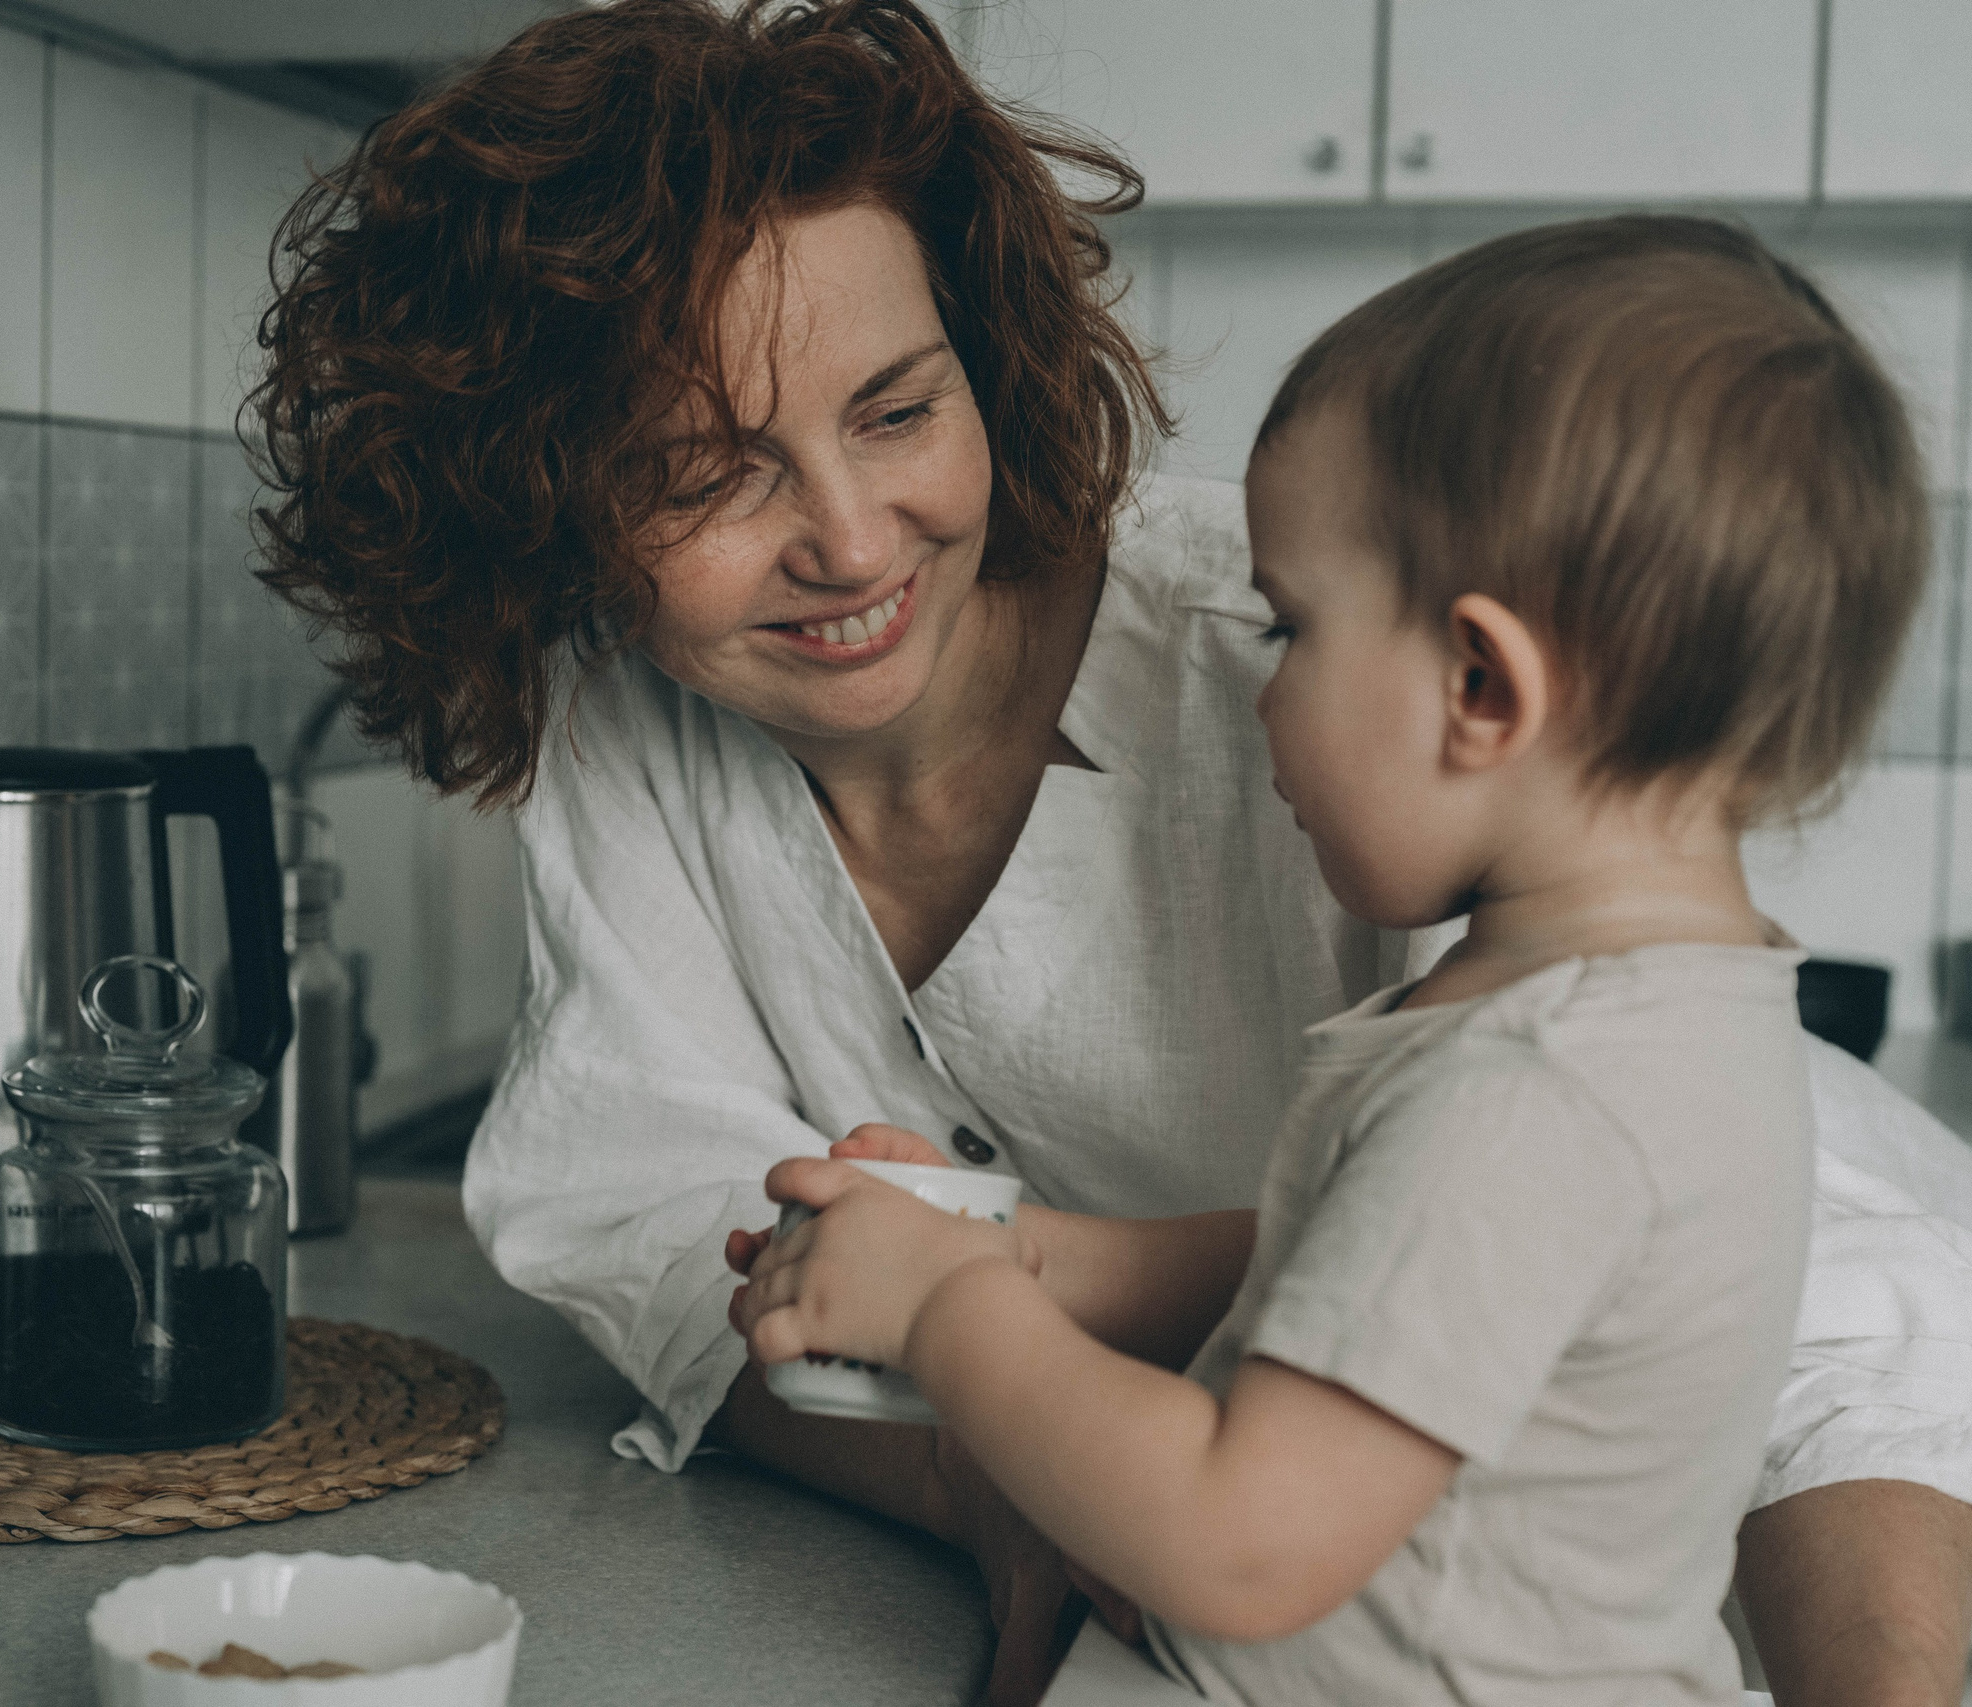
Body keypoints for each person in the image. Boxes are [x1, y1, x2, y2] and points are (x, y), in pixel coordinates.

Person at [242, 2, 1972, 1700]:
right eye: (706, 476)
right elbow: (644, 1216)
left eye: (901, 412)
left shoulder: (1330, 674)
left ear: (983, 361)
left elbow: (1805, 1296)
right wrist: (993, 1443)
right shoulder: (628, 724)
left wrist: (962, 1320)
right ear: (540, 500)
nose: (849, 541)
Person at [730, 213, 1918, 1703]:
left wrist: (945, 1312)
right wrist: (1037, 1256)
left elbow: (1238, 1542)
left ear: (1481, 686)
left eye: (1290, 628)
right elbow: (1377, 1262)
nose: (1260, 692)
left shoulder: (1535, 1088)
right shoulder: (1655, 1003)